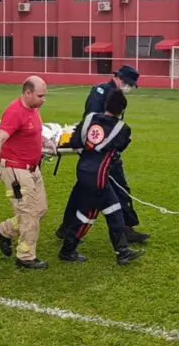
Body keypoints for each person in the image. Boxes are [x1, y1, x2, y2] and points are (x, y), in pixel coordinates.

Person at [55, 65, 149, 244]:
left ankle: (67, 227)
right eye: (128, 84)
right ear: (120, 79)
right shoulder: (102, 92)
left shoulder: (113, 93)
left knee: (84, 189)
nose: (129, 88)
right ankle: (123, 231)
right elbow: (93, 120)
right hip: (99, 151)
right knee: (118, 188)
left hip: (104, 150)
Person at [0, 76, 57, 270]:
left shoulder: (34, 109)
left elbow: (33, 131)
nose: (43, 99)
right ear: (28, 93)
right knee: (29, 213)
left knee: (40, 210)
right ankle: (25, 256)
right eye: (40, 95)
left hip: (32, 168)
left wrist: (45, 141)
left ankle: (4, 231)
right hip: (15, 171)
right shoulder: (15, 112)